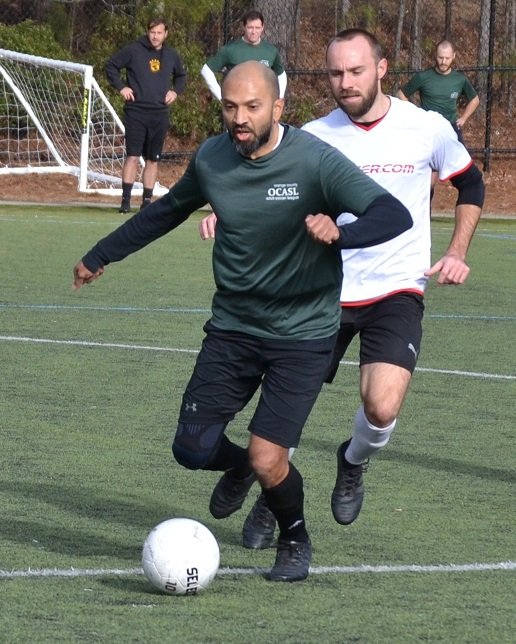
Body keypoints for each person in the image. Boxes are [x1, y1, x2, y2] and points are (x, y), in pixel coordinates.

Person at [72, 61, 412, 582]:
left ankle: (295, 539)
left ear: (277, 108)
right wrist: (102, 254)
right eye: (230, 106)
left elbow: (393, 214)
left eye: (252, 106)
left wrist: (342, 234)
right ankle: (240, 468)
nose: (240, 117)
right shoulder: (212, 158)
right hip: (232, 329)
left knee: (269, 455)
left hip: (301, 336)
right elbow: (166, 212)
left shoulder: (315, 161)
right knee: (191, 448)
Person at [216, 29, 483, 551]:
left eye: (356, 71)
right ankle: (274, 495)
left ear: (382, 70)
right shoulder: (312, 135)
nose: (345, 82)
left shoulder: (425, 127)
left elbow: (470, 184)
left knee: (382, 408)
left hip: (396, 291)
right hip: (321, 293)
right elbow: (271, 194)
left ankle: (352, 460)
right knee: (288, 410)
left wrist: (457, 252)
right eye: (335, 73)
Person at [106, 17, 187, 214]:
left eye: (159, 33)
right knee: (132, 156)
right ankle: (125, 202)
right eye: (152, 32)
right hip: (136, 112)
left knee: (153, 159)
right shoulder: (134, 50)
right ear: (147, 32)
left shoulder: (171, 55)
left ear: (165, 34)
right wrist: (122, 87)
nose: (155, 36)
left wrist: (175, 91)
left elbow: (182, 76)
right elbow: (111, 66)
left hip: (159, 114)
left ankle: (146, 202)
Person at [397, 40, 479, 145]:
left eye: (447, 58)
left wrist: (463, 118)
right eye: (440, 58)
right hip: (427, 129)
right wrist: (416, 115)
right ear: (436, 56)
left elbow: (475, 100)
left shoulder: (460, 79)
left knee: (460, 160)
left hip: (451, 127)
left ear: (453, 56)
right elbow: (401, 94)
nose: (443, 62)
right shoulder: (423, 77)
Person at [200, 9, 287, 100]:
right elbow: (206, 70)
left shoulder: (271, 51)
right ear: (244, 27)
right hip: (238, 104)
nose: (254, 32)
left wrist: (279, 97)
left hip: (263, 105)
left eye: (257, 28)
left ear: (262, 28)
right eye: (250, 27)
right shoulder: (230, 50)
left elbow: (281, 74)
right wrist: (221, 97)